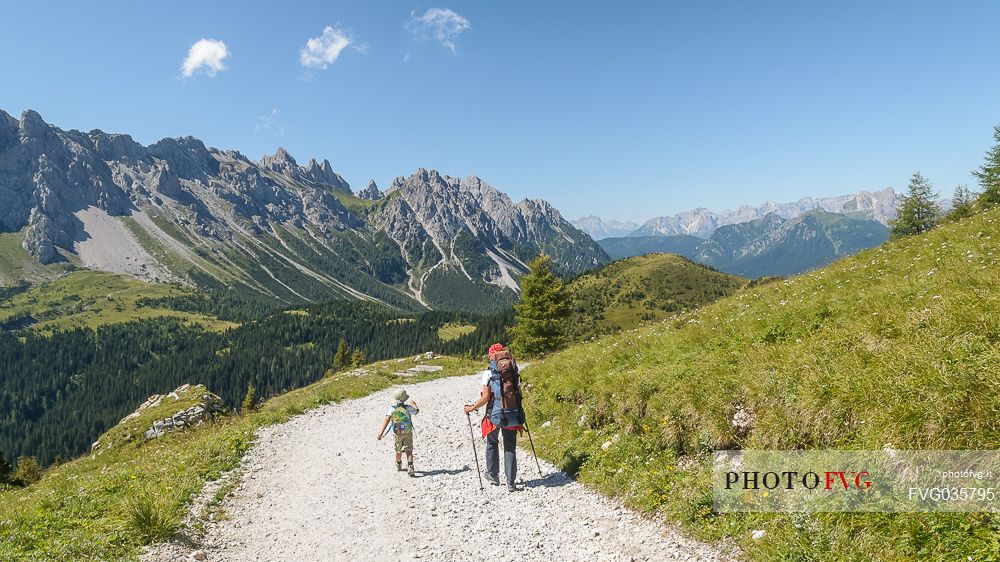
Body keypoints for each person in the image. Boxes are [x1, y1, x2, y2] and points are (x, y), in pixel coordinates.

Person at [463, 343, 524, 492]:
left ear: (492, 355)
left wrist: (471, 408)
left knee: (492, 442)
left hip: (494, 414)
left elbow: (485, 398)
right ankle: (511, 483)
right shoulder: (514, 370)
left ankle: (493, 474)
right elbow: (519, 393)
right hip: (512, 413)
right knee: (510, 447)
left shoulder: (489, 373)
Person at [378, 389, 420, 476]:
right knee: (409, 450)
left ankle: (398, 463)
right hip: (407, 431)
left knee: (398, 450)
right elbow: (416, 412)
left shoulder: (392, 408)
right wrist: (414, 405)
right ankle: (410, 466)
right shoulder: (408, 407)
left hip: (398, 432)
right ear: (404, 399)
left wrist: (381, 433)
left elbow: (386, 419)